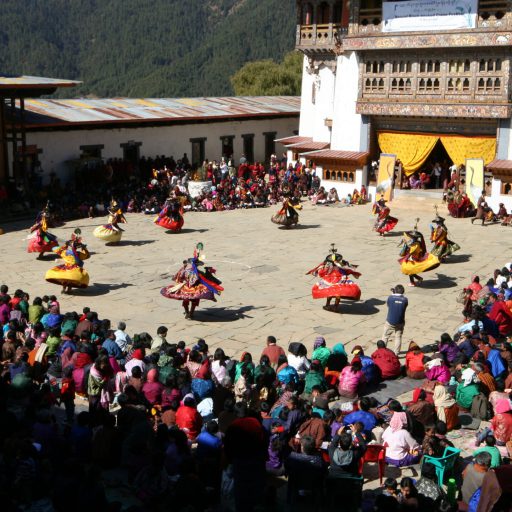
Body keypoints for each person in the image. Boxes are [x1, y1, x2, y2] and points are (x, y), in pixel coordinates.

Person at [160, 243, 223, 319]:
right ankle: (191, 313)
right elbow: (201, 280)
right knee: (195, 301)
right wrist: (208, 272)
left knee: (185, 300)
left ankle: (187, 312)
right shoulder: (199, 273)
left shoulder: (184, 269)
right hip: (195, 288)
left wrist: (180, 283)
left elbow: (179, 277)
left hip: (185, 287)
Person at [306, 244, 361, 312]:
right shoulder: (333, 266)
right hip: (335, 280)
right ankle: (332, 305)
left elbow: (347, 269)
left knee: (333, 293)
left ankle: (331, 305)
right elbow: (322, 270)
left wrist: (353, 273)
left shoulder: (337, 265)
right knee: (334, 293)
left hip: (336, 280)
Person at [45, 229, 90, 294]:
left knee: (65, 279)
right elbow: (87, 255)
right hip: (74, 268)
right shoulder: (79, 254)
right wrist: (84, 248)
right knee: (71, 279)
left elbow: (56, 249)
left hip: (66, 267)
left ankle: (64, 288)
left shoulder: (65, 252)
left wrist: (66, 245)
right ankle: (69, 289)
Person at [382, 285, 408, 355]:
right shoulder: (405, 300)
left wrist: (393, 294)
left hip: (390, 321)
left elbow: (389, 305)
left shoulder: (390, 298)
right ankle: (396, 353)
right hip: (400, 322)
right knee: (398, 337)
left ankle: (382, 351)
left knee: (385, 336)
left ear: (395, 290)